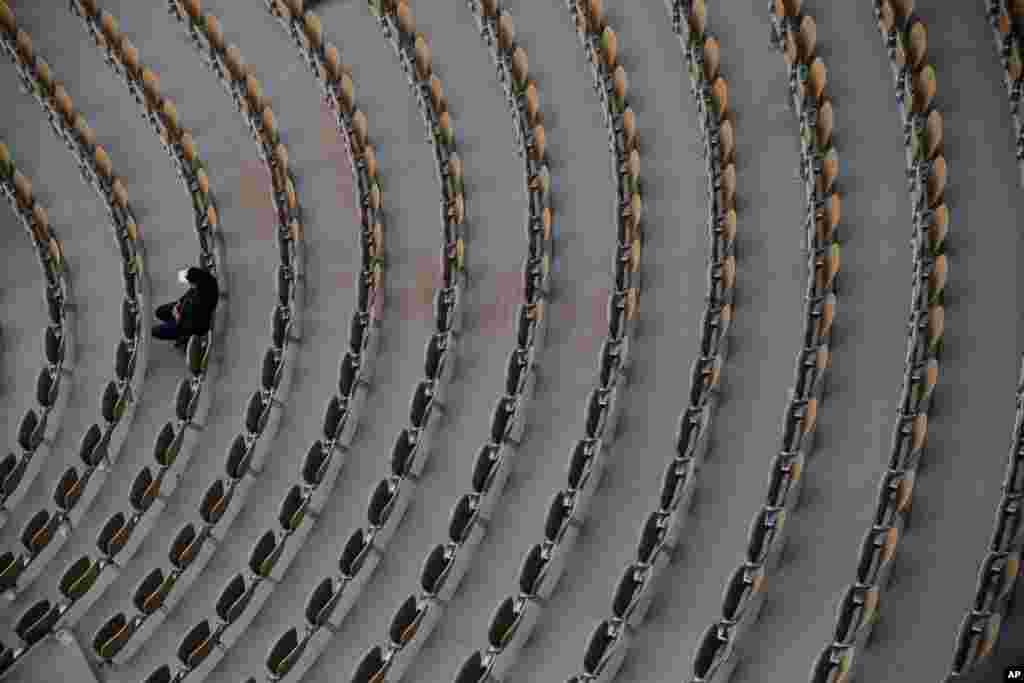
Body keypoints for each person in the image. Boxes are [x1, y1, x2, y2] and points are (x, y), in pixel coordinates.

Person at [152, 266, 220, 349]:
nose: (189, 284)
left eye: (190, 283)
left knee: (155, 331)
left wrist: (176, 315)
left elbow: (186, 321)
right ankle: (172, 325)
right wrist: (179, 302)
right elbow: (189, 293)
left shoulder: (199, 301)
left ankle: (183, 336)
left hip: (192, 325)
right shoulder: (204, 280)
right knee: (160, 311)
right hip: (185, 311)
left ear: (195, 283)